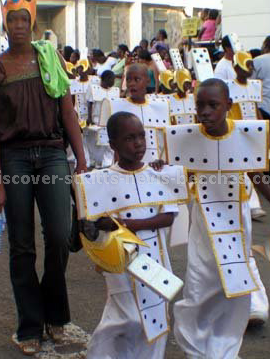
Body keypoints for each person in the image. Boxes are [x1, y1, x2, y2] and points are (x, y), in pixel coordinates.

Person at [0, 0, 87, 355]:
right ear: (5, 24)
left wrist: (82, 160)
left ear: (32, 21)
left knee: (60, 234)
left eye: (24, 19)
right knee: (22, 245)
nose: (19, 26)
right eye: (13, 20)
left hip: (53, 154)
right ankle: (29, 324)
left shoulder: (49, 59)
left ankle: (56, 316)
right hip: (14, 160)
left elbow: (67, 111)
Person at [166, 78, 270, 359]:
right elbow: (175, 178)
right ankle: (195, 345)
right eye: (200, 105)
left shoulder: (246, 134)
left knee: (235, 287)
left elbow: (256, 175)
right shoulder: (185, 138)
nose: (205, 112)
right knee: (200, 284)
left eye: (213, 105)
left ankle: (223, 348)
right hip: (203, 223)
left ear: (228, 105)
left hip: (237, 222)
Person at [81, 111, 185, 359]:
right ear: (113, 144)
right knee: (124, 319)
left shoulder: (158, 174)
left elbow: (168, 217)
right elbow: (89, 228)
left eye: (141, 136)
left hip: (156, 261)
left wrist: (128, 225)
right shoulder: (101, 180)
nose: (139, 143)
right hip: (121, 265)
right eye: (130, 138)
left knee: (156, 319)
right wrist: (97, 226)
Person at [224, 50, 270, 325]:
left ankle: (254, 302)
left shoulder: (241, 136)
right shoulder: (195, 137)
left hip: (238, 198)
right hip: (208, 208)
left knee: (244, 251)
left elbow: (255, 174)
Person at [100, 63, 170, 163]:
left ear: (148, 81)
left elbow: (165, 143)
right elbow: (113, 147)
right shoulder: (116, 106)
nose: (132, 83)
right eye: (128, 80)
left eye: (137, 79)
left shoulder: (161, 106)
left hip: (155, 167)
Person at [86, 70, 120, 168]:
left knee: (108, 144)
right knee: (94, 143)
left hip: (109, 121)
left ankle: (107, 163)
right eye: (112, 79)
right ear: (106, 79)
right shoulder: (93, 89)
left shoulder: (115, 91)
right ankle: (95, 161)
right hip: (96, 121)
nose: (114, 82)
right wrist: (89, 118)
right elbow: (90, 103)